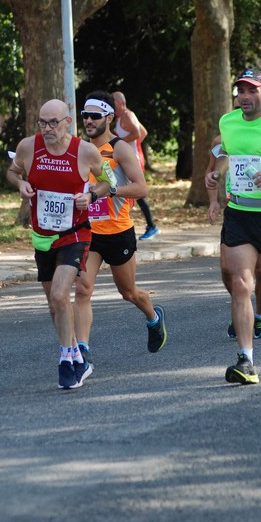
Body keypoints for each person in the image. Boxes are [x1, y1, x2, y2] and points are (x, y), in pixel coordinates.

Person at [6, 99, 115, 391]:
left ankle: (66, 359)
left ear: (68, 122)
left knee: (59, 293)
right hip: (43, 236)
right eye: (43, 122)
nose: (48, 128)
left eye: (54, 122)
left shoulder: (85, 151)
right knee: (55, 305)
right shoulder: (29, 147)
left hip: (76, 233)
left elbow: (109, 180)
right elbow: (12, 171)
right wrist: (20, 185)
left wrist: (92, 196)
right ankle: (79, 356)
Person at [73, 91, 166, 365]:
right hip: (88, 230)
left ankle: (153, 317)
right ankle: (81, 350)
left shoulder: (120, 148)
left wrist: (110, 191)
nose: (88, 121)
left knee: (128, 292)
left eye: (95, 116)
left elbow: (141, 188)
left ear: (109, 117)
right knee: (82, 290)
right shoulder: (80, 149)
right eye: (85, 116)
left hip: (118, 231)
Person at [205, 69, 261, 385]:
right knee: (240, 284)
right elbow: (225, 155)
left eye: (251, 91)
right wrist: (214, 176)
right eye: (240, 91)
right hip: (239, 212)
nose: (245, 97)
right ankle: (246, 361)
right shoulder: (228, 122)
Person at [206, 101, 261, 340]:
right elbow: (212, 170)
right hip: (238, 211)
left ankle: (260, 317)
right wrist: (213, 201)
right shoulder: (222, 138)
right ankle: (241, 304)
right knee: (227, 270)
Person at [112, 91, 160, 241]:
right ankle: (145, 225)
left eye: (112, 102)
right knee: (128, 192)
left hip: (132, 160)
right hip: (129, 158)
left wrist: (119, 143)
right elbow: (143, 132)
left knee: (135, 193)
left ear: (119, 103)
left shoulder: (127, 115)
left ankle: (151, 226)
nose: (110, 106)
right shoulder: (122, 118)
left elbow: (137, 133)